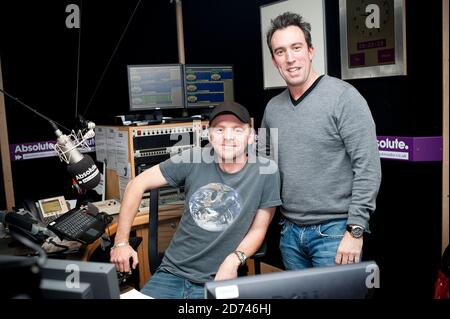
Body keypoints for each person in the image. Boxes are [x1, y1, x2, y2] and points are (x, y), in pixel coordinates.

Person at [111, 101, 281, 298]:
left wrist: (234, 260)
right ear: (209, 135)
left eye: (237, 130)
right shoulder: (192, 158)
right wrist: (121, 242)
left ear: (251, 137)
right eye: (219, 129)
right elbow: (135, 185)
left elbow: (259, 229)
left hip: (219, 278)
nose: (228, 137)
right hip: (171, 273)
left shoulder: (266, 171)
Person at [260, 12, 381, 269]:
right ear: (274, 60)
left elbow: (368, 168)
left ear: (311, 50)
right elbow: (263, 169)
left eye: (296, 47)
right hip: (290, 233)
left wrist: (355, 230)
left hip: (335, 234)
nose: (290, 58)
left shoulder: (345, 98)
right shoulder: (272, 109)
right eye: (280, 51)